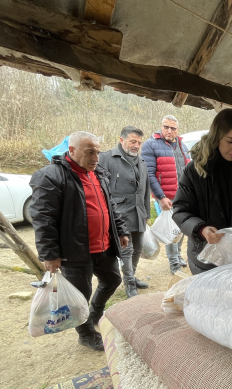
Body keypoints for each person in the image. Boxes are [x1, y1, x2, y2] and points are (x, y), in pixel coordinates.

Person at [30, 131, 129, 351]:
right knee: (79, 297)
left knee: (112, 280)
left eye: (98, 152)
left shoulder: (99, 173)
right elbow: (43, 218)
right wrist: (49, 254)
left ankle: (94, 313)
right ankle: (85, 334)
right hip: (75, 251)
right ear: (72, 150)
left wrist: (120, 230)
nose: (96, 158)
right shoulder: (51, 176)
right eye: (90, 152)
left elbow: (110, 206)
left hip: (103, 246)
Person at [172, 109, 232, 275]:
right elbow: (181, 210)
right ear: (217, 137)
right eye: (230, 141)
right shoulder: (195, 170)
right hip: (206, 256)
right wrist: (201, 229)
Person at [98, 126, 150, 298]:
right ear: (121, 140)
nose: (136, 145)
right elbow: (101, 189)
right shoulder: (106, 158)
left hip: (138, 213)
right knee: (126, 250)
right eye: (133, 141)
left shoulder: (141, 162)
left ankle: (132, 277)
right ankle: (129, 284)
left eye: (139, 143)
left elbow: (145, 190)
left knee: (137, 248)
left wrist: (147, 214)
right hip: (119, 214)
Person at [141, 115, 191, 274]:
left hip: (183, 195)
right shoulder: (151, 145)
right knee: (171, 228)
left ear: (178, 129)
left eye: (173, 128)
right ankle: (174, 264)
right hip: (165, 196)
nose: (169, 131)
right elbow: (149, 174)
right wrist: (160, 197)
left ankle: (178, 255)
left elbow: (188, 170)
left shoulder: (182, 146)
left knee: (181, 227)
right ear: (161, 127)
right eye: (166, 127)